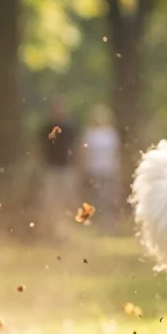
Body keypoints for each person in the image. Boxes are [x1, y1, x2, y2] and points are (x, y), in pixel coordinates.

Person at [38, 95, 78, 241]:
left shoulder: (69, 128)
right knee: (51, 203)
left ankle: (65, 233)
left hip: (67, 169)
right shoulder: (45, 128)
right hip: (51, 170)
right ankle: (52, 233)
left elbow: (77, 148)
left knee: (66, 202)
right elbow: (39, 148)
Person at [80, 104, 121, 229]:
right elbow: (85, 152)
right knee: (96, 197)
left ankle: (108, 221)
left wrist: (117, 169)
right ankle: (94, 221)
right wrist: (84, 167)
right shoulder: (90, 133)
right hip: (95, 170)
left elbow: (115, 153)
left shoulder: (111, 133)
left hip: (109, 170)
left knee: (108, 196)